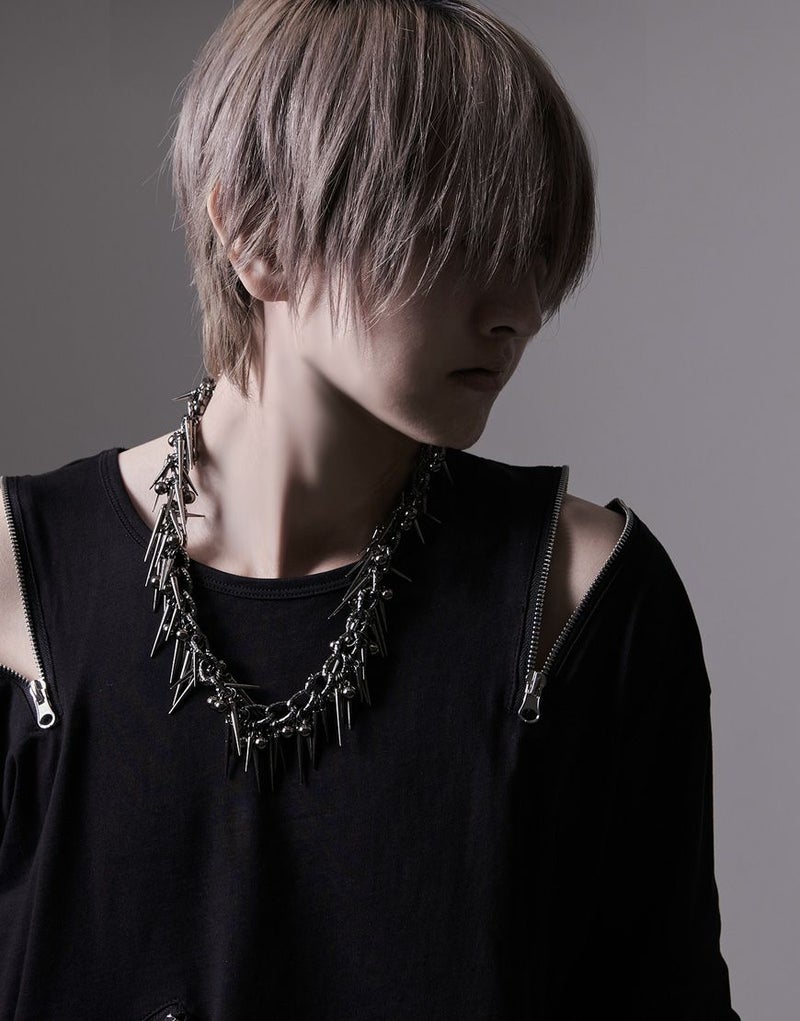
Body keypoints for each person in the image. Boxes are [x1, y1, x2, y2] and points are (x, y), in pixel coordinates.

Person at [0, 1, 740, 1018]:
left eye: (534, 249)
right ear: (256, 232)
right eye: (461, 238)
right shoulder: (19, 582)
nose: (520, 309)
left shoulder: (579, 597)